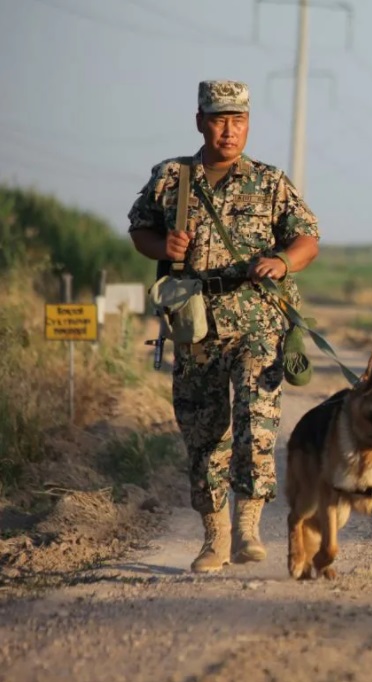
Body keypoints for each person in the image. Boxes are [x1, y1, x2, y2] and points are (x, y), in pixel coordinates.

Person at [128, 80, 320, 571]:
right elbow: (140, 229)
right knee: (203, 431)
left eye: (238, 120)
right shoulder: (172, 177)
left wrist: (282, 260)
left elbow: (307, 239)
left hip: (258, 321)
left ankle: (248, 529)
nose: (229, 130)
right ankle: (214, 537)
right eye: (219, 119)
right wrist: (161, 248)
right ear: (200, 121)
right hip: (195, 326)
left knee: (256, 423)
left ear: (248, 124)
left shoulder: (270, 181)